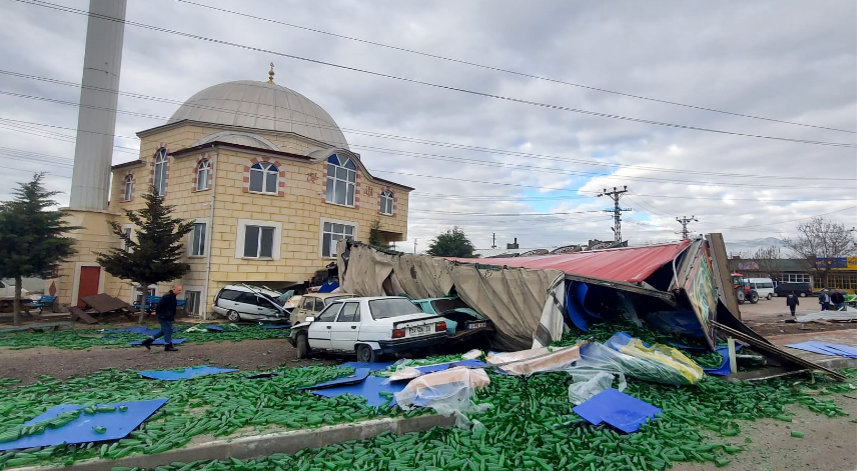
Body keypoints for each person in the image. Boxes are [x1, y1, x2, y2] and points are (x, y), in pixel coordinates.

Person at [141, 285, 182, 352]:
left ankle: (147, 341)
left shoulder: (172, 296)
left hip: (168, 316)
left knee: (163, 331)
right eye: (179, 290)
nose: (180, 291)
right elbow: (160, 305)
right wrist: (156, 311)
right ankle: (168, 345)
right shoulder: (168, 296)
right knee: (168, 331)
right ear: (174, 289)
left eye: (180, 290)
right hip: (165, 316)